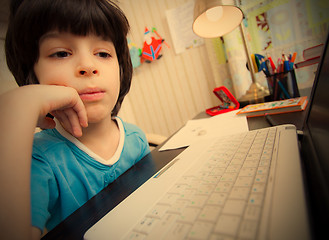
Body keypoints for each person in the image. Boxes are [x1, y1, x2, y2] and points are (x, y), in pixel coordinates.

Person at [3, 0, 150, 238]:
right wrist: (18, 108)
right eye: (61, 53)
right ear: (32, 75)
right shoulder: (37, 160)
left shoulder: (137, 138)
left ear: (121, 68)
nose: (88, 66)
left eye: (103, 53)